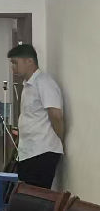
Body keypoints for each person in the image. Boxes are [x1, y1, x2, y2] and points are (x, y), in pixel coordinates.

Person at [7, 43, 65, 190]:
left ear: (29, 61)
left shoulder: (44, 82)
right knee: (26, 196)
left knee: (37, 196)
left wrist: (59, 139)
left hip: (42, 151)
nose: (13, 67)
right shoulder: (28, 85)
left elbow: (56, 115)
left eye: (15, 62)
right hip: (29, 151)